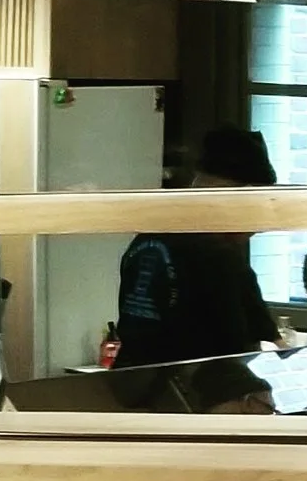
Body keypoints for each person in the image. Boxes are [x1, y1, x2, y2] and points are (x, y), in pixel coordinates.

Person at [115, 124, 281, 369]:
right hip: (195, 393)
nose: (258, 228)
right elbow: (243, 354)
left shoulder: (147, 239)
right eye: (259, 208)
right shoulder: (220, 257)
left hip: (130, 386)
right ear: (237, 197)